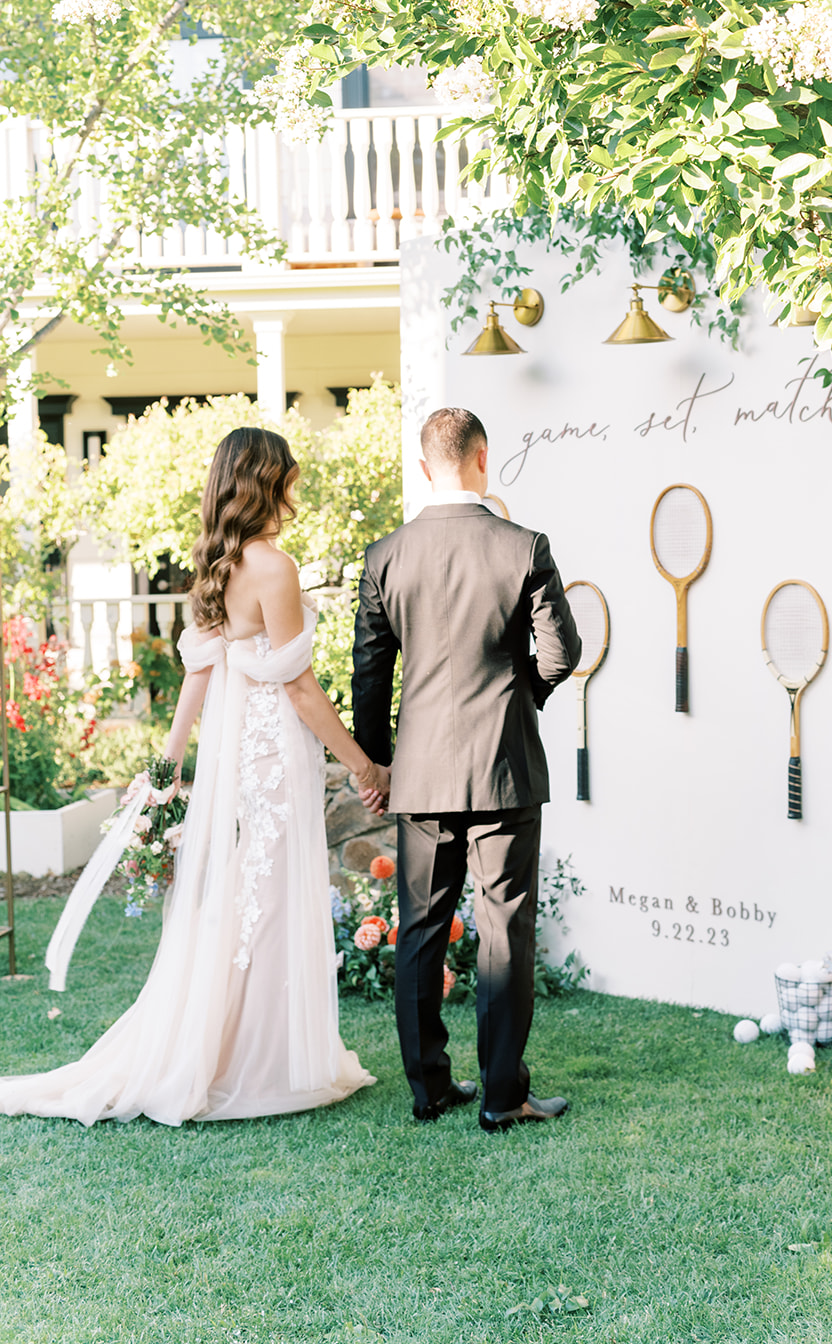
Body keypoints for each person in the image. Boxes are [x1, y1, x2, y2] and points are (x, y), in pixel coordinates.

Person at [0, 427, 386, 1126]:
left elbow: (197, 680)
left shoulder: (220, 568)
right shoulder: (273, 567)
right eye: (289, 474)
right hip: (275, 758)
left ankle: (250, 1051)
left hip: (247, 761)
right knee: (270, 899)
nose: (297, 486)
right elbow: (301, 690)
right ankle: (260, 1064)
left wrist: (164, 772)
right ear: (265, 481)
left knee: (251, 898)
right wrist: (364, 764)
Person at [351, 407, 580, 1131]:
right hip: (503, 768)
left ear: (426, 468)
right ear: (485, 458)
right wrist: (519, 701)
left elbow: (369, 675)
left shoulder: (385, 556)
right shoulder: (523, 546)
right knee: (504, 929)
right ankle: (501, 1096)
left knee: (420, 927)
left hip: (418, 774)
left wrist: (380, 759)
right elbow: (561, 654)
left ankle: (427, 1090)